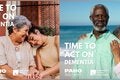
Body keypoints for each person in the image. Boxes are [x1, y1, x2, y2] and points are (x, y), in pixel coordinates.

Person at [72, 4, 120, 79]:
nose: (100, 19)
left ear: (108, 18)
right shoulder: (82, 41)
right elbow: (76, 69)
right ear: (91, 18)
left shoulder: (116, 43)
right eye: (97, 16)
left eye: (103, 16)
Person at [0, 15, 39, 80]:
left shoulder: (27, 45)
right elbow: (3, 67)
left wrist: (32, 70)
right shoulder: (2, 42)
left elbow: (32, 65)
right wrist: (22, 77)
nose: (27, 34)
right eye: (25, 30)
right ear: (15, 30)